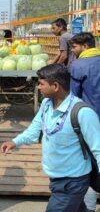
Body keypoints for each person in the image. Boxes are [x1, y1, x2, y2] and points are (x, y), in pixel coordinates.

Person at [0, 64, 100, 212]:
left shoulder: (82, 112)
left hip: (72, 182)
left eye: (41, 84)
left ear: (55, 86)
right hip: (56, 178)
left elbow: (98, 149)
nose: (38, 87)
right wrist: (15, 141)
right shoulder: (46, 104)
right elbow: (34, 129)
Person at [69, 32, 100, 212]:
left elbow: (73, 97)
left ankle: (88, 207)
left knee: (87, 162)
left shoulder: (79, 65)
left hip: (90, 121)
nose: (72, 51)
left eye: (74, 47)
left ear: (85, 47)